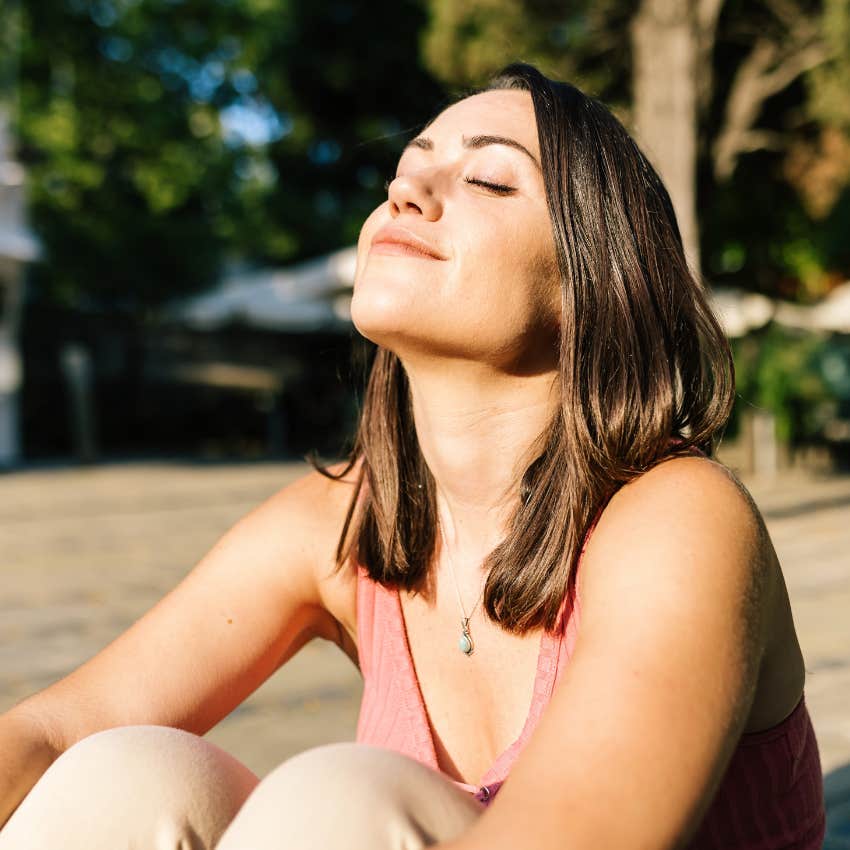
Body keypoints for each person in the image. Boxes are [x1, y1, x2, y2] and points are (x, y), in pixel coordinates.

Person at [0, 61, 826, 850]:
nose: (406, 191)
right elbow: (56, 728)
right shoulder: (345, 520)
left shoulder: (680, 518)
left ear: (589, 281)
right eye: (407, 168)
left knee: (344, 805)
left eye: (490, 180)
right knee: (127, 778)